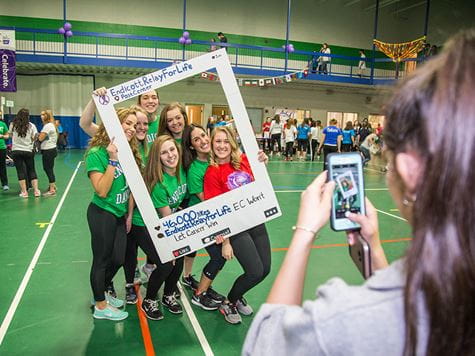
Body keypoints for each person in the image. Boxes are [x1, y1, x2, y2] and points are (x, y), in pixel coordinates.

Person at [243, 27, 475, 356]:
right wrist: (376, 254)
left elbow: (268, 344)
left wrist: (304, 233)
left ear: (410, 169)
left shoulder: (344, 319)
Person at [203, 126, 271, 324]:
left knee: (265, 269)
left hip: (255, 221)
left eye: (226, 141)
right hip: (236, 227)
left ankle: (237, 294)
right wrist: (226, 241)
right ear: (212, 144)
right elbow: (217, 210)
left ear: (232, 143)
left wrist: (262, 164)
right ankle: (229, 302)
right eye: (218, 142)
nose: (222, 146)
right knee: (255, 271)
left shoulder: (244, 161)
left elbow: (261, 187)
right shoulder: (212, 173)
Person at [85, 106, 142, 321]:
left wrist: (128, 215)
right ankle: (100, 305)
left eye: (134, 125)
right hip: (102, 213)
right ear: (114, 123)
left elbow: (129, 188)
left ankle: (99, 292)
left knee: (118, 258)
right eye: (127, 123)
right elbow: (101, 189)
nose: (131, 128)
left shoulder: (127, 151)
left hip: (119, 215)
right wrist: (112, 159)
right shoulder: (97, 153)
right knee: (101, 260)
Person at [129, 135, 187, 320]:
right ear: (157, 157)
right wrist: (171, 248)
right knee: (165, 261)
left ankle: (169, 295)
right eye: (164, 152)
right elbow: (167, 218)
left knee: (181, 254)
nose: (170, 155)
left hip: (162, 222)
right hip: (143, 225)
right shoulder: (159, 183)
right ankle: (150, 299)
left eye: (172, 150)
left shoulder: (181, 172)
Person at [9, 108, 41, 198]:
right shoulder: (31, 125)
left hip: (16, 150)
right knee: (32, 170)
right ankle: (36, 191)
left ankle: (24, 192)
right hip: (28, 150)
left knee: (20, 171)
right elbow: (36, 136)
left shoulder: (13, 124)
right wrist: (31, 140)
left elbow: (10, 135)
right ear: (28, 116)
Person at [38, 110, 58, 197]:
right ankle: (52, 186)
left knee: (48, 169)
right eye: (41, 114)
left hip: (48, 150)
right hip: (51, 149)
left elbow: (40, 138)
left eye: (43, 114)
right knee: (49, 169)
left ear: (47, 116)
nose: (41, 116)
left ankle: (52, 190)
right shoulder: (50, 125)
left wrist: (36, 136)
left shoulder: (48, 126)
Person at [0, 113, 9, 191]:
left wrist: (2, 136)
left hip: (2, 148)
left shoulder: (3, 124)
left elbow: (7, 136)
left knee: (2, 166)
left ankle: (5, 184)